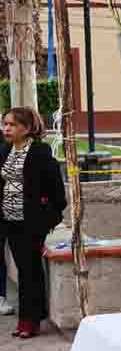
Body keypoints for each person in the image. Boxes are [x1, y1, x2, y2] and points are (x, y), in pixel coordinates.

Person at [0, 107, 66, 338]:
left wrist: (47, 219)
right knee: (22, 268)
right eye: (5, 124)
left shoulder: (39, 152)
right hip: (9, 220)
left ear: (27, 129)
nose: (7, 128)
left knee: (30, 270)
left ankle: (31, 320)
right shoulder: (5, 150)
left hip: (31, 222)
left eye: (13, 125)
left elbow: (58, 194)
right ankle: (25, 318)